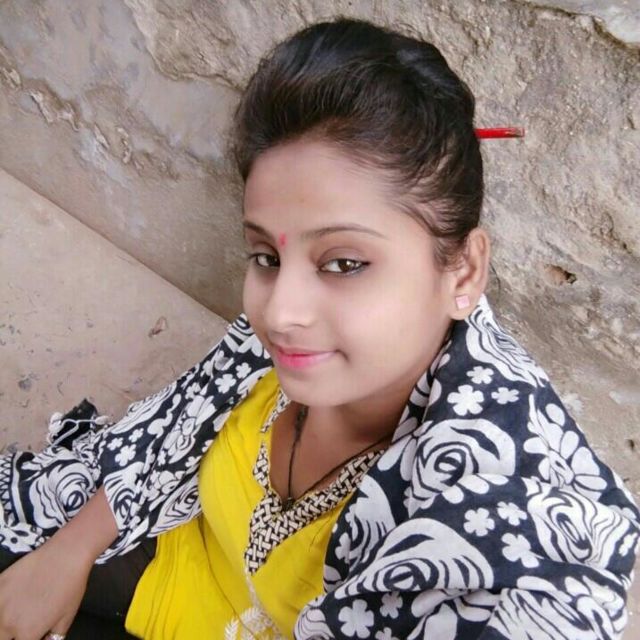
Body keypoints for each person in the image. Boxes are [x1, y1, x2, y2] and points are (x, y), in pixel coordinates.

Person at [0, 15, 638, 640]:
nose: (278, 314)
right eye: (265, 256)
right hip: (168, 566)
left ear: (463, 270)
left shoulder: (494, 501)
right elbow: (180, 423)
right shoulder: (288, 343)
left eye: (345, 263)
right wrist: (69, 550)